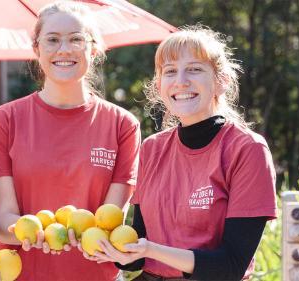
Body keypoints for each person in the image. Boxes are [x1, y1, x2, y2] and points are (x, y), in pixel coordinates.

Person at [87, 26, 277, 281]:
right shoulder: (152, 148)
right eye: (170, 71)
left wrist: (152, 250)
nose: (181, 81)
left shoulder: (247, 150)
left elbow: (231, 266)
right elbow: (141, 250)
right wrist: (119, 253)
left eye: (195, 69)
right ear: (160, 84)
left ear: (221, 81)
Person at [0, 1, 141, 280]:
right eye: (52, 40)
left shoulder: (123, 126)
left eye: (76, 39)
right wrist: (34, 233)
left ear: (93, 49)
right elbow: (2, 221)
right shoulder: (3, 121)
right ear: (37, 50)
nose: (64, 49)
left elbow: (111, 218)